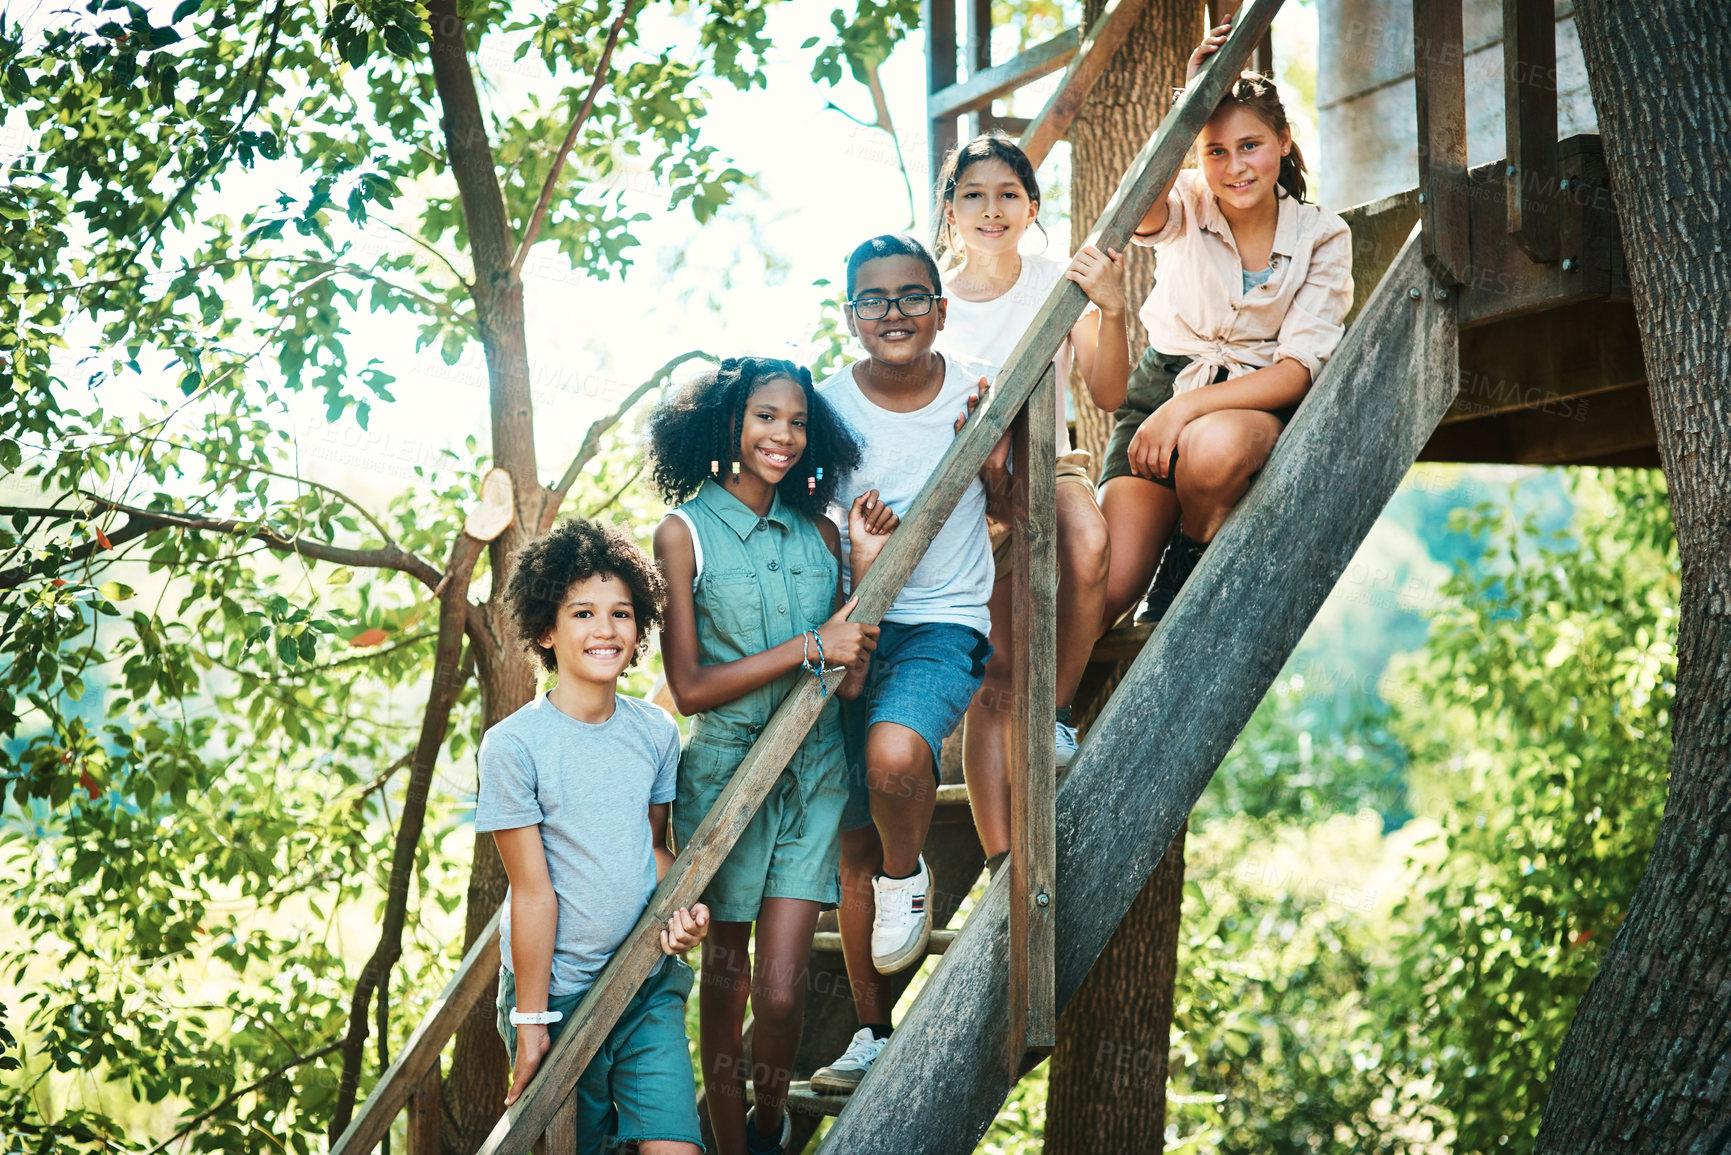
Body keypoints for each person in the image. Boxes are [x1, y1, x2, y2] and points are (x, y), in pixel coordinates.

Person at [648, 357, 897, 1155]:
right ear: (728, 425)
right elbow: (687, 687)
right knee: (727, 984)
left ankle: (767, 1118)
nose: (781, 435)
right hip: (724, 780)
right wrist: (809, 645)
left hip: (814, 772)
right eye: (763, 417)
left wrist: (856, 567)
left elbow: (847, 682)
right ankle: (732, 1145)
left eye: (795, 420)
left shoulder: (821, 530)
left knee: (783, 996)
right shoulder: (682, 531)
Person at [806, 234, 995, 1095]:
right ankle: (870, 1030)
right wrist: (854, 552)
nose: (894, 314)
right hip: (849, 622)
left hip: (942, 621)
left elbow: (1025, 497)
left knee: (893, 756)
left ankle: (906, 871)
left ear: (940, 308)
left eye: (912, 296)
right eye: (874, 300)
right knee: (848, 842)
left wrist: (991, 455)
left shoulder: (978, 385)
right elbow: (806, 526)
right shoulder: (822, 405)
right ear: (850, 316)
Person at [1099, 17, 1353, 630]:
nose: (1235, 167)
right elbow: (1140, 213)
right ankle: (1052, 719)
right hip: (1163, 387)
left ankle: (1187, 553)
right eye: (1215, 150)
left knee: (1214, 449)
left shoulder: (1323, 234)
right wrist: (1189, 104)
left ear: (1284, 142)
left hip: (1248, 400)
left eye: (1251, 146)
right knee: (1104, 588)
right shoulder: (1187, 199)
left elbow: (1295, 373)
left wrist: (1185, 413)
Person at [931, 131, 1132, 875]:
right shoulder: (932, 296)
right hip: (963, 491)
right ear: (949, 211)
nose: (991, 209)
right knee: (996, 667)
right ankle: (999, 860)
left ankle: (1052, 710)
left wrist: (1109, 311)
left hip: (1047, 465)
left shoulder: (1054, 278)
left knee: (1085, 542)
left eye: (1008, 194)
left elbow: (1108, 391)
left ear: (1032, 206)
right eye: (973, 195)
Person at [477, 517, 710, 1155]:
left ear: (640, 630)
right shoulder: (513, 746)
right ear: (547, 630)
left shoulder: (656, 734)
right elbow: (531, 894)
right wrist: (529, 1023)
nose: (605, 629)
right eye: (583, 612)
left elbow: (651, 854)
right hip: (554, 996)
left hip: (642, 981)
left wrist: (685, 914)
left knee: (677, 1148)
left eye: (622, 613)